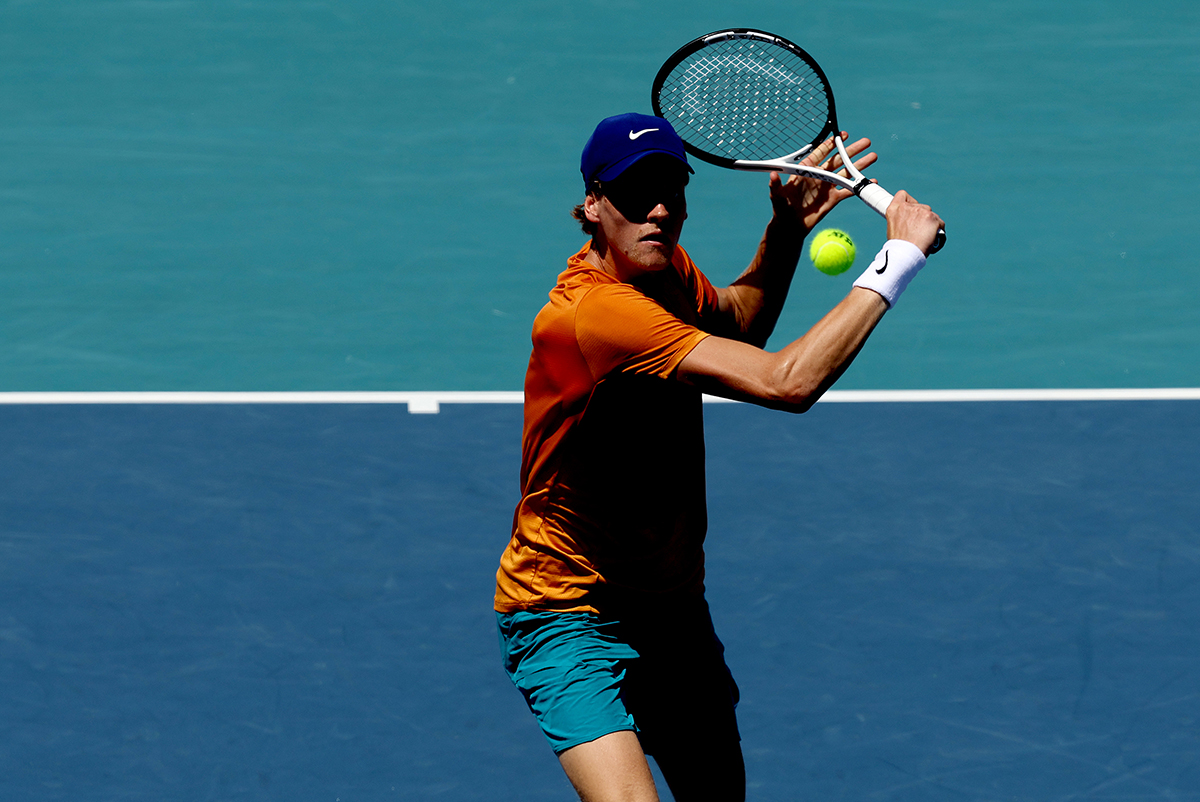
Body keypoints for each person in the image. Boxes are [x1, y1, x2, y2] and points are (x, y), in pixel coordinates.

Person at [494, 112, 945, 801]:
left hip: (671, 606)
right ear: (592, 205)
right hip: (567, 608)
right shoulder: (598, 315)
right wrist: (899, 258)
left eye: (671, 191)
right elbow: (786, 382)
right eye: (634, 194)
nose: (658, 211)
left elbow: (736, 325)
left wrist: (785, 235)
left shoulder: (663, 268)